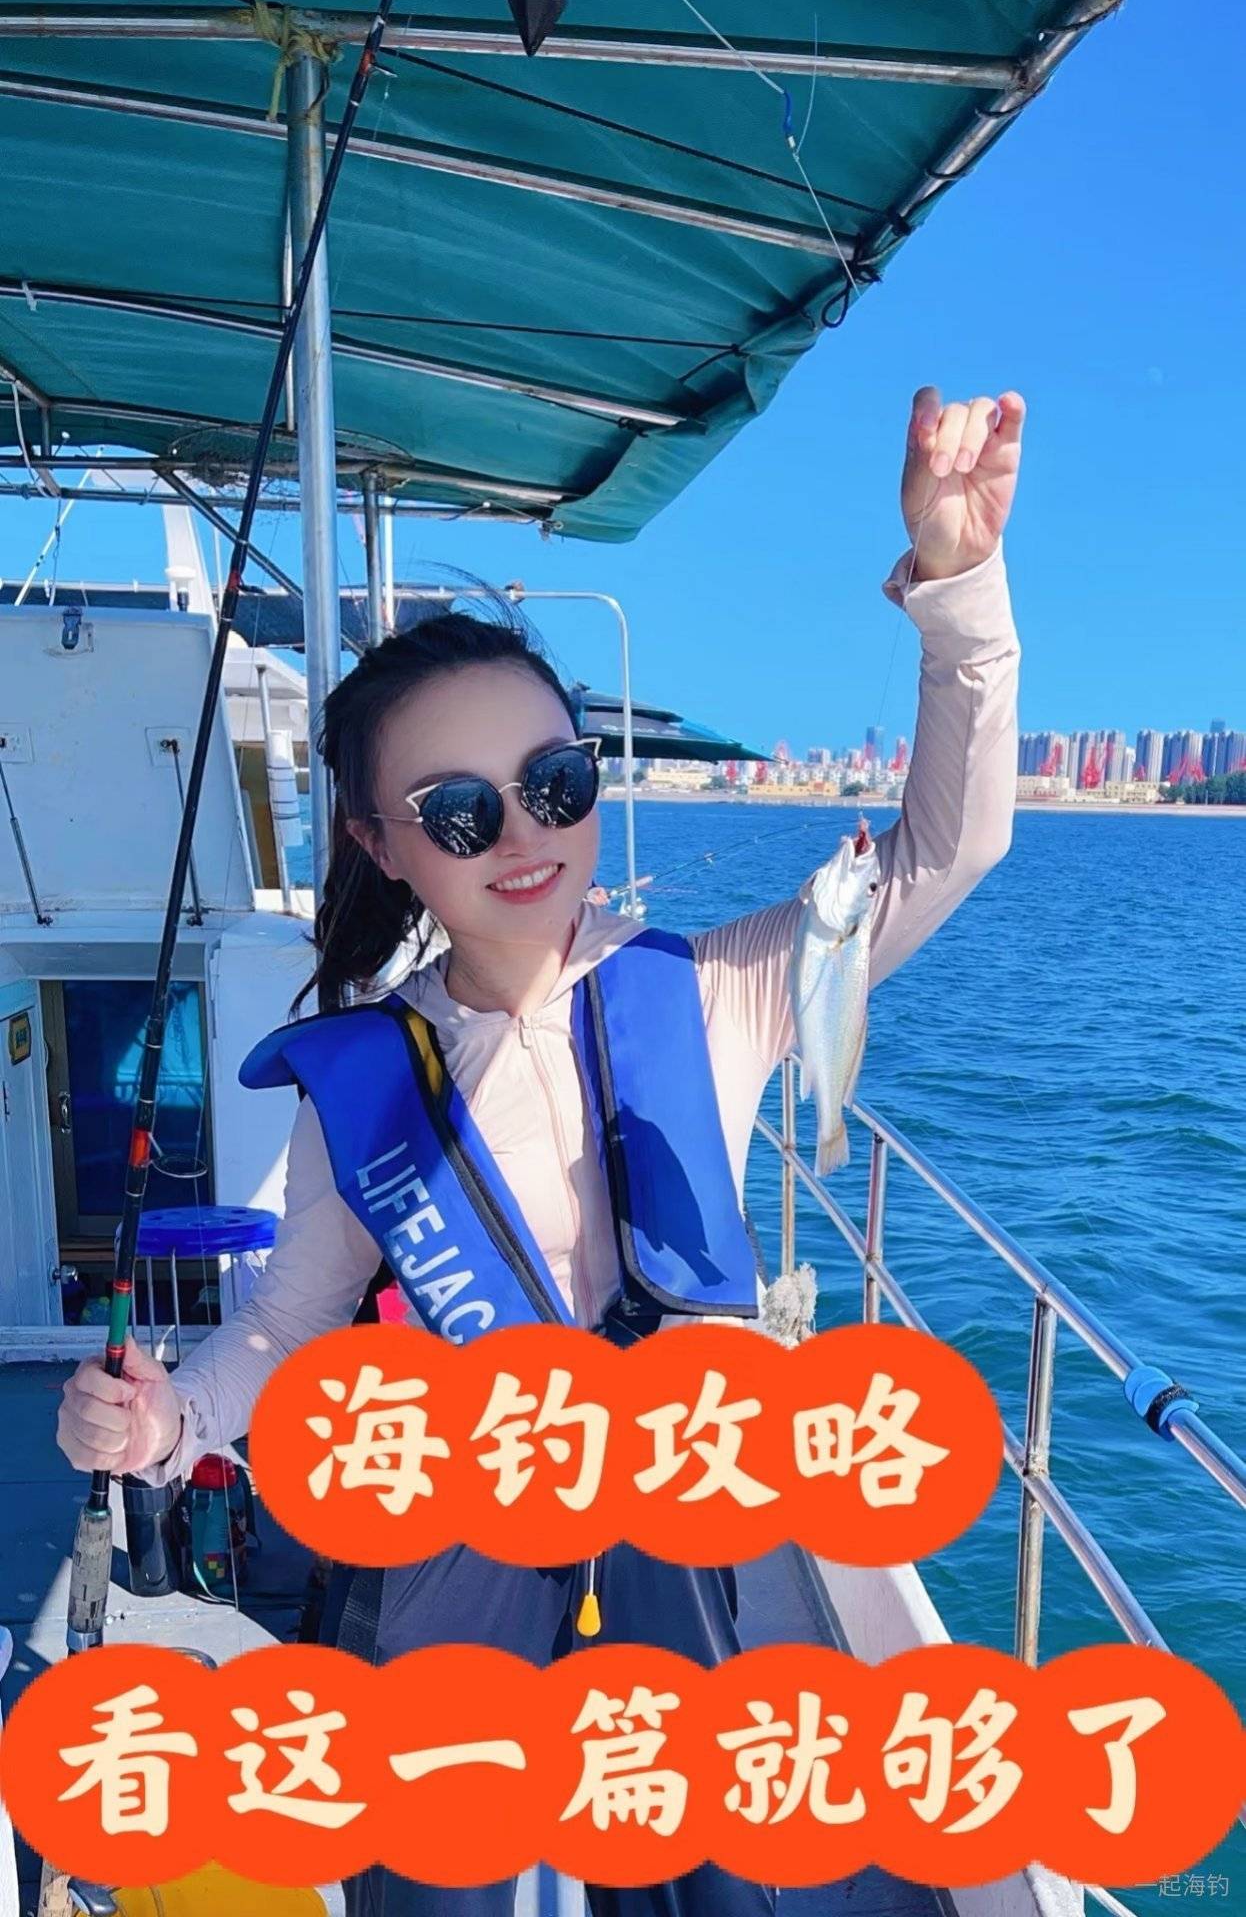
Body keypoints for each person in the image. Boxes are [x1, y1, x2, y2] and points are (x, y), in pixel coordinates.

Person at [57, 386, 1025, 1916]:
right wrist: (164, 1424)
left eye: (555, 783)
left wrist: (958, 594)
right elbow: (287, 1333)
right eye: (457, 810)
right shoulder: (360, 1077)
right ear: (378, 844)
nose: (522, 833)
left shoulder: (715, 991)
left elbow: (945, 849)